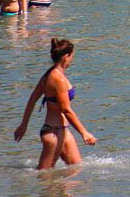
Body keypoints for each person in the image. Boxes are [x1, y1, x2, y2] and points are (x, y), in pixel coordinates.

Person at [14, 38, 94, 168]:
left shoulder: (49, 74)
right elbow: (65, 110)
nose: (72, 60)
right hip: (53, 133)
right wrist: (84, 132)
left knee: (77, 170)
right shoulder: (57, 78)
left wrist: (24, 125)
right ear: (66, 56)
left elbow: (32, 100)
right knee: (44, 177)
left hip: (63, 131)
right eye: (72, 56)